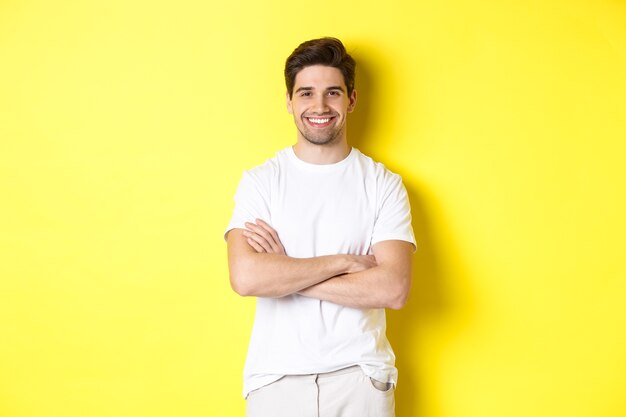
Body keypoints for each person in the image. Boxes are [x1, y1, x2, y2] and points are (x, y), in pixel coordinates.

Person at [224, 37, 416, 417]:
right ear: (289, 102)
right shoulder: (261, 181)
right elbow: (246, 277)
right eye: (306, 93)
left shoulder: (382, 183)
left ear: (352, 100)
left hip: (360, 378)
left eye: (333, 92)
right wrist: (346, 262)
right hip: (275, 380)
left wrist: (286, 273)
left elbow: (393, 288)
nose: (319, 106)